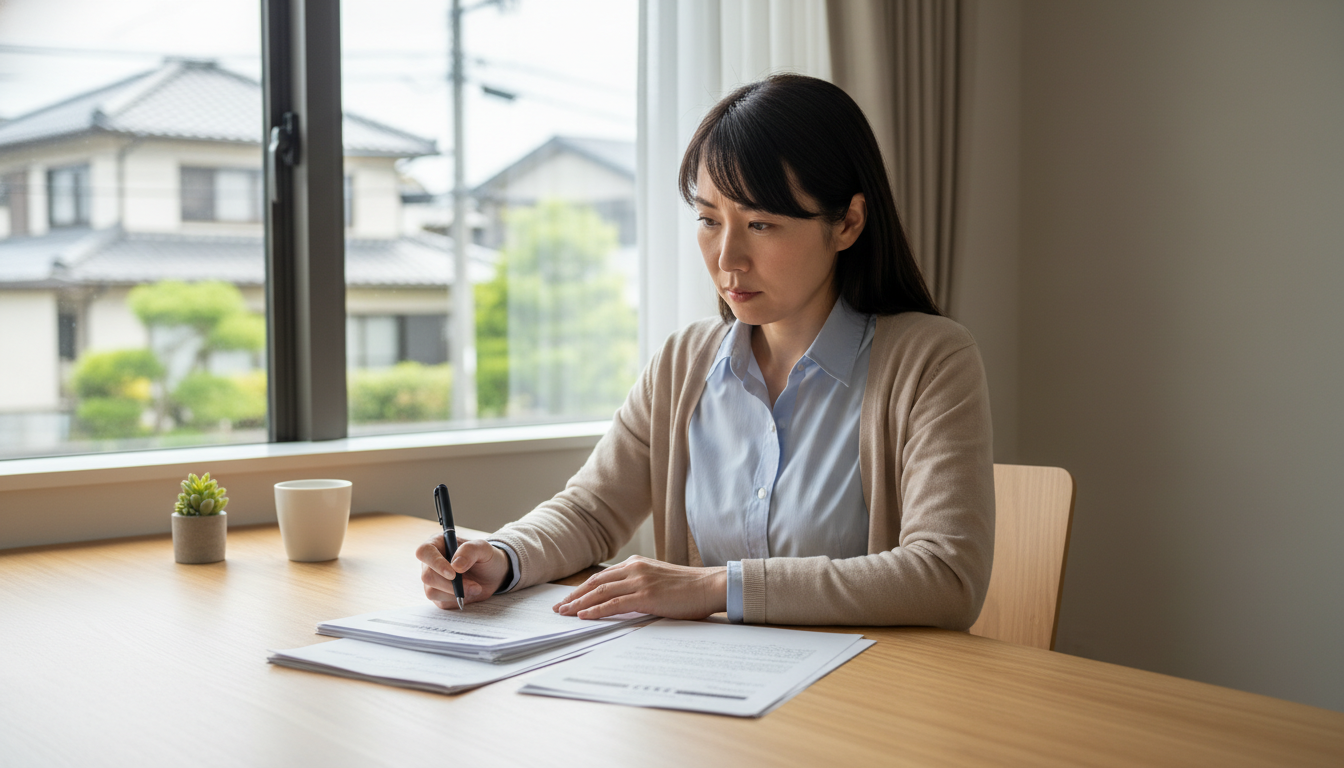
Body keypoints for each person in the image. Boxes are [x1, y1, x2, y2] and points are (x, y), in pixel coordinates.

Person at [416, 73, 995, 628]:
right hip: (713, 698)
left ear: (847, 222)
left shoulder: (930, 361)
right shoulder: (683, 363)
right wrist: (503, 556)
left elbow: (946, 575)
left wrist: (715, 587)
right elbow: (591, 512)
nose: (727, 259)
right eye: (709, 220)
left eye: (762, 224)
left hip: (864, 701)